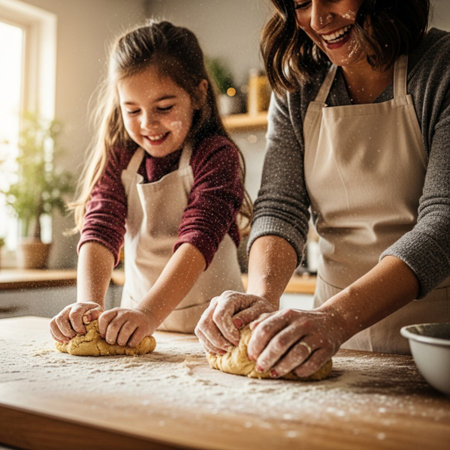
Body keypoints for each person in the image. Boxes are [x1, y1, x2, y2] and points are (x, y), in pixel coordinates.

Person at [195, 0, 450, 379]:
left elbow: (443, 223)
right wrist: (263, 298)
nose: (316, 19)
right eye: (299, 3)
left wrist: (337, 317)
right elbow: (280, 207)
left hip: (436, 346)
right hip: (326, 346)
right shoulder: (299, 81)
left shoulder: (440, 67)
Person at [50, 20, 252, 347]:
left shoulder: (215, 155)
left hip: (217, 334)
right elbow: (100, 228)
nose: (148, 123)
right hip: (136, 330)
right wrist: (88, 305)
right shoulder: (120, 158)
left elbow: (199, 237)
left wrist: (149, 314)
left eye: (164, 107)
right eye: (132, 110)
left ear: (198, 95)